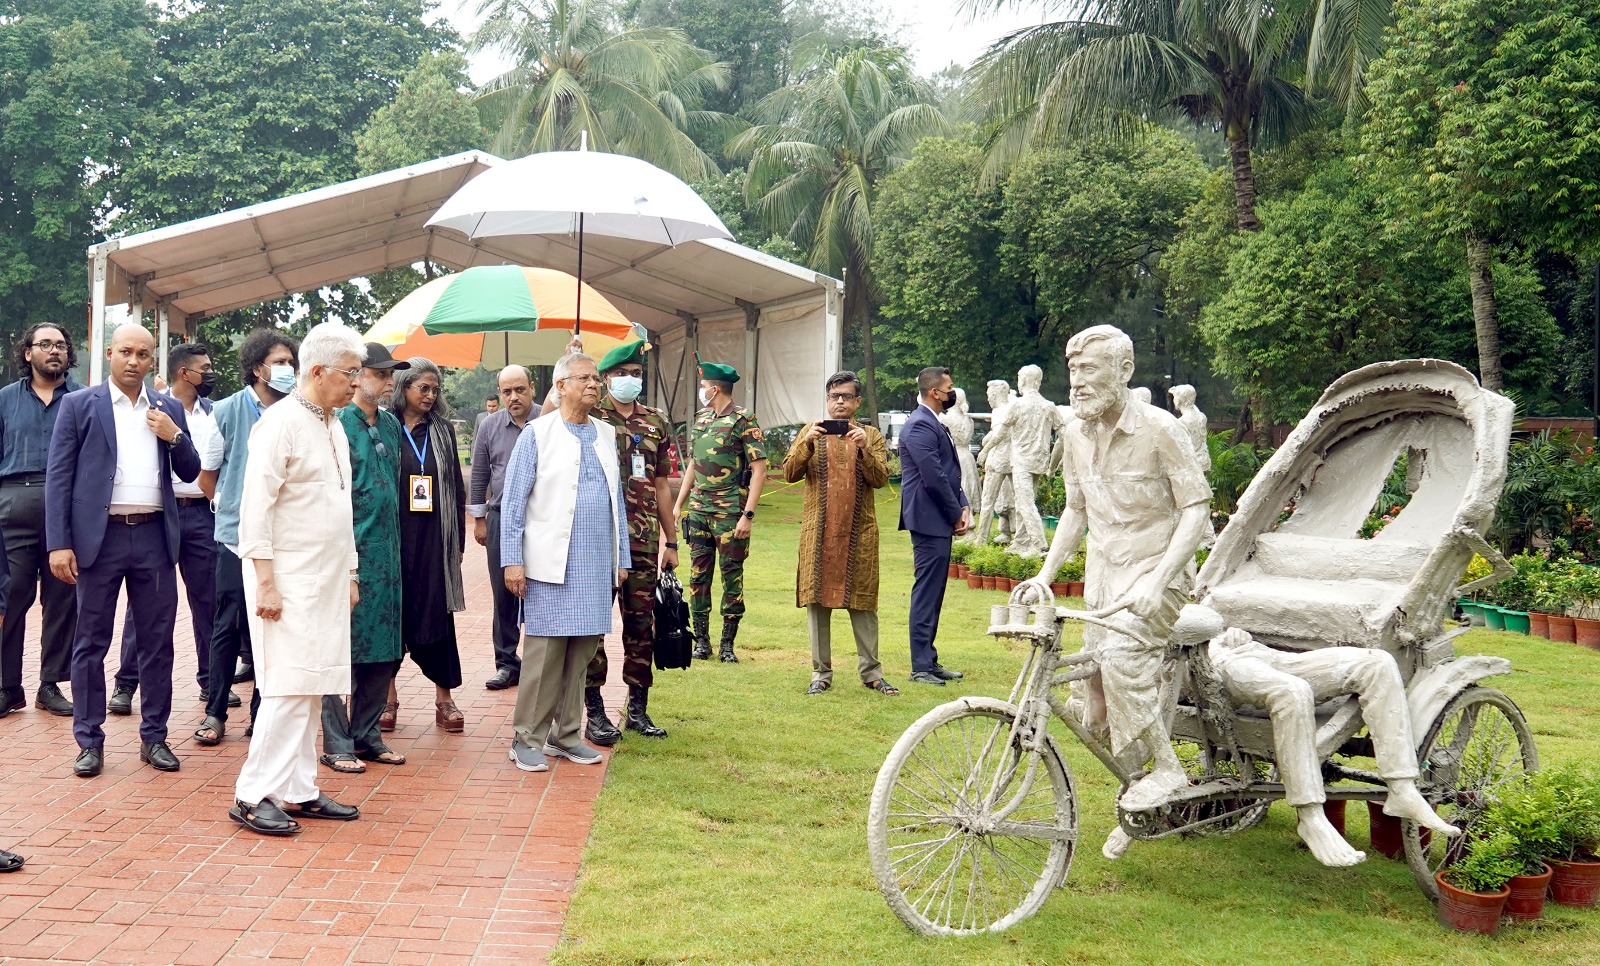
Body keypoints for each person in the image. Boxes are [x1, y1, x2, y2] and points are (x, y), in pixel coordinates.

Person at [1019, 324, 1211, 856]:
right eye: (1073, 369)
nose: (1077, 381)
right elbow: (1075, 510)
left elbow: (1196, 508)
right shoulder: (1074, 434)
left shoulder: (1160, 428)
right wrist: (1045, 575)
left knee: (1123, 660)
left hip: (1157, 576)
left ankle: (1168, 771)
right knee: (1093, 704)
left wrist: (1160, 580)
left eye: (1090, 369)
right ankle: (1138, 796)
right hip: (1105, 579)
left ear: (1123, 371)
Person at [46, 323, 200, 778]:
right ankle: (89, 741)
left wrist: (174, 434)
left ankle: (155, 737)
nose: (134, 361)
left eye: (143, 354)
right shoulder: (79, 405)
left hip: (154, 537)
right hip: (100, 538)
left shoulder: (167, 407)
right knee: (91, 642)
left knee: (157, 642)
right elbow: (59, 478)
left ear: (153, 359)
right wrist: (59, 543)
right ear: (109, 353)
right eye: (126, 351)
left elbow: (191, 470)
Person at [229, 321, 364, 835]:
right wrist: (265, 581)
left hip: (326, 577)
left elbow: (341, 507)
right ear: (319, 371)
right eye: (350, 373)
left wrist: (350, 572)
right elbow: (254, 510)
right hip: (285, 579)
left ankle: (299, 789)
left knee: (314, 683)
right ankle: (252, 794)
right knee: (287, 686)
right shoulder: (279, 422)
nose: (356, 382)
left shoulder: (333, 424)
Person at [1207, 628, 1460, 866]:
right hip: (1215, 661)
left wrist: (1227, 628)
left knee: (1378, 663)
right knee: (1293, 692)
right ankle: (1311, 817)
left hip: (1248, 648)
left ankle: (1401, 786)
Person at [500, 352, 630, 772]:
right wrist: (512, 561)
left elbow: (617, 502)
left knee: (581, 656)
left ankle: (567, 734)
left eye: (596, 378)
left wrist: (622, 558)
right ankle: (526, 738)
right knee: (545, 656)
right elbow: (513, 503)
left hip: (595, 566)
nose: (594, 384)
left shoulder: (606, 433)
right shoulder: (537, 434)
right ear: (560, 386)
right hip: (550, 564)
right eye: (584, 378)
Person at [107, 343, 235, 716]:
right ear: (184, 372)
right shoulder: (154, 408)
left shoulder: (215, 412)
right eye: (204, 368)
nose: (210, 373)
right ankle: (126, 683)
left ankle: (212, 681)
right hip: (163, 514)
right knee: (143, 602)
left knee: (208, 600)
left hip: (203, 514)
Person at [192, 329, 298, 746]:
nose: (288, 369)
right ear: (257, 368)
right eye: (280, 362)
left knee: (272, 626)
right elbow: (207, 477)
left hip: (284, 538)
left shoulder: (298, 411)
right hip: (236, 538)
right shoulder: (226, 411)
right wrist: (231, 506)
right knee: (228, 623)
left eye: (291, 362)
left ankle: (261, 714)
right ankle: (215, 712)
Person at [320, 343, 410, 774]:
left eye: (391, 375)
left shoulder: (390, 425)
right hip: (350, 555)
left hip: (387, 556)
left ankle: (367, 735)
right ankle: (337, 742)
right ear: (357, 377)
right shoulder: (336, 424)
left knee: (383, 650)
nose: (389, 382)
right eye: (380, 374)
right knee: (341, 649)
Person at [784, 371, 897, 697]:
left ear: (857, 401)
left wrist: (864, 449)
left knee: (863, 602)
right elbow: (789, 473)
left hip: (859, 534)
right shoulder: (811, 431)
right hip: (818, 533)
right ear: (827, 400)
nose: (840, 402)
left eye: (847, 397)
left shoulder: (871, 435)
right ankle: (820, 673)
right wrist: (806, 444)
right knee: (817, 602)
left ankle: (872, 673)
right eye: (835, 396)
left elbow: (880, 478)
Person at [587, 340, 677, 741]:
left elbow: (662, 484)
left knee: (641, 626)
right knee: (593, 627)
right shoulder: (590, 415)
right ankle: (594, 712)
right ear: (606, 378)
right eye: (621, 374)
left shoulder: (656, 421)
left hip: (641, 540)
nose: (629, 380)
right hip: (598, 540)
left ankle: (637, 710)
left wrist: (671, 541)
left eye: (636, 374)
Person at [0, 323, 83, 718]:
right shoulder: (4, 400)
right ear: (27, 352)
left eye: (61, 345)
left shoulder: (83, 399)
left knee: (62, 597)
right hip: (13, 504)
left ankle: (50, 685)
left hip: (66, 508)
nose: (54, 351)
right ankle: (8, 686)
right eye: (45, 344)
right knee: (11, 594)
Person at [388, 358, 467, 733]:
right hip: (395, 538)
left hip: (435, 537)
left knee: (437, 614)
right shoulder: (385, 426)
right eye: (423, 388)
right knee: (392, 614)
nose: (431, 395)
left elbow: (456, 487)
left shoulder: (442, 430)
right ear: (403, 387)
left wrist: (458, 543)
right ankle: (387, 698)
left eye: (435, 389)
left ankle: (444, 699)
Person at [671, 360, 767, 663]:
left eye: (703, 386)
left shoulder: (743, 420)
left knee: (731, 577)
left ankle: (727, 645)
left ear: (715, 389)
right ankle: (702, 642)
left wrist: (747, 515)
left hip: (730, 513)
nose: (701, 391)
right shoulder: (701, 419)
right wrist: (679, 504)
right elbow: (693, 465)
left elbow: (759, 470)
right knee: (698, 577)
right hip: (699, 511)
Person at [897, 366, 971, 687]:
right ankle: (920, 667)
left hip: (938, 517)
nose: (952, 393)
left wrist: (963, 504)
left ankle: (929, 660)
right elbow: (933, 477)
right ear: (934, 392)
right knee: (926, 592)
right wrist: (955, 513)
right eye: (949, 388)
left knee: (936, 591)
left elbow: (949, 472)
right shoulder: (919, 425)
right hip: (928, 518)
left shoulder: (933, 422)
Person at [468, 365, 534, 692]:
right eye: (506, 391)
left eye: (520, 389)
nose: (513, 397)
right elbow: (480, 474)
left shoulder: (548, 420)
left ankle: (539, 663)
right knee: (503, 592)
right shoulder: (490, 426)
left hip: (540, 519)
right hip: (500, 517)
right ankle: (506, 663)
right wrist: (479, 519)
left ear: (532, 389)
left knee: (542, 589)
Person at [977, 365, 1063, 557]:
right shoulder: (1049, 406)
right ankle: (1021, 541)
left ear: (1023, 381)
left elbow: (1001, 432)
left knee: (1024, 503)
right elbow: (1064, 433)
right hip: (1038, 461)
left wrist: (986, 449)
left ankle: (1040, 545)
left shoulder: (1017, 405)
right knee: (1026, 500)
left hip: (1022, 461)